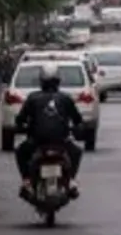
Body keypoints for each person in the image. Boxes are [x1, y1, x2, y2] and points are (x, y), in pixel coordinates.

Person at [13, 62, 84, 200]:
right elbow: (77, 120)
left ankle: (26, 181)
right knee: (76, 152)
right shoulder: (65, 98)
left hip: (38, 141)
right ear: (58, 81)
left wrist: (20, 127)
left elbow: (20, 119)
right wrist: (77, 129)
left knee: (20, 152)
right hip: (60, 141)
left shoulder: (33, 98)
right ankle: (70, 180)